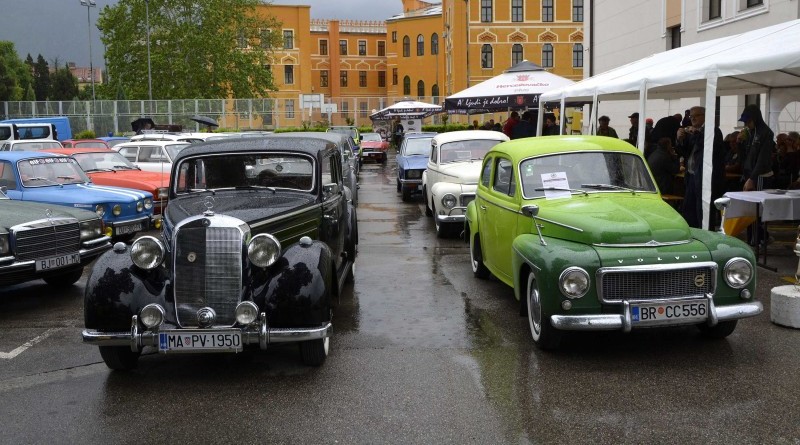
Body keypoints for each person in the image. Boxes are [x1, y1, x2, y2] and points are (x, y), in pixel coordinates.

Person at [675, 106, 725, 229]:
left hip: (705, 178)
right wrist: (679, 139)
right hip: (691, 176)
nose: (693, 118)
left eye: (696, 116)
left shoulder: (713, 131)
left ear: (705, 116)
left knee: (703, 211)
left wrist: (696, 133)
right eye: (691, 116)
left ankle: (706, 235)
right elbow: (684, 151)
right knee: (689, 209)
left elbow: (710, 148)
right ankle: (693, 234)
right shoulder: (693, 132)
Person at [739, 104, 775, 192]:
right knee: (749, 204)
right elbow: (744, 156)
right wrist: (740, 142)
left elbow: (762, 158)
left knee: (758, 204)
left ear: (755, 119)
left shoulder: (766, 133)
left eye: (748, 121)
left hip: (760, 175)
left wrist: (752, 178)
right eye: (745, 122)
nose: (746, 124)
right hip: (749, 174)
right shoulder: (750, 132)